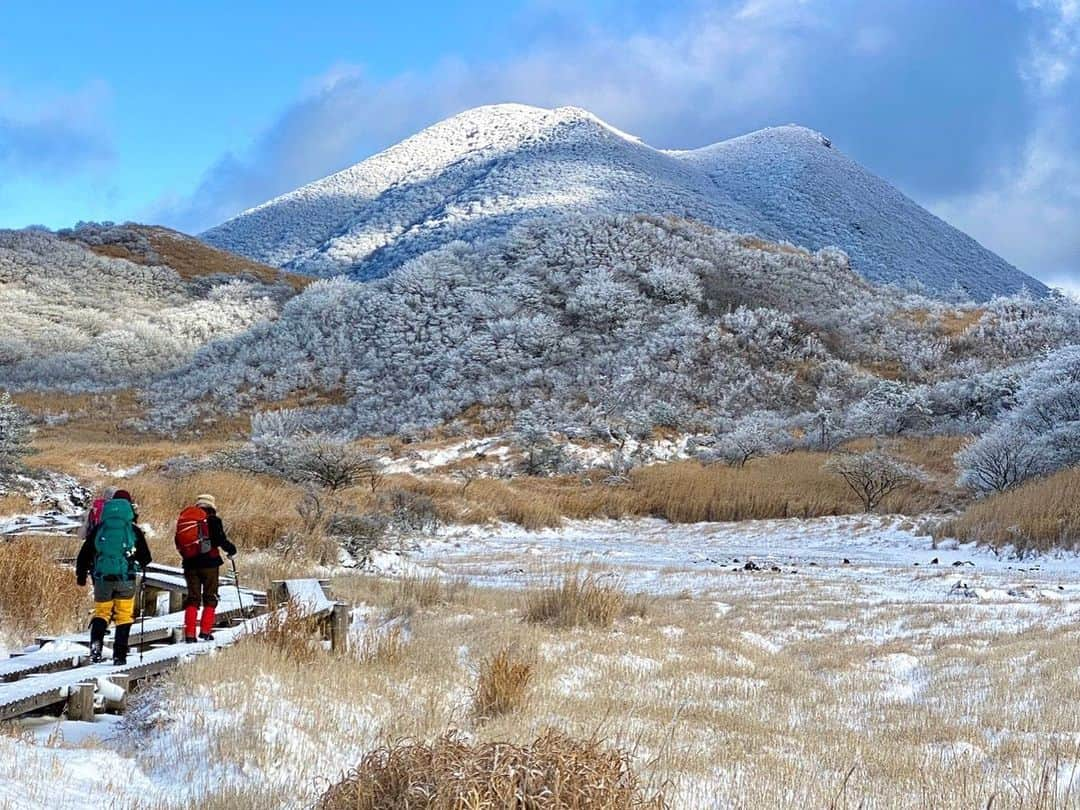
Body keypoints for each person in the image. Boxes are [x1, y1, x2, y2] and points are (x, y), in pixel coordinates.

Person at [75, 490, 152, 665]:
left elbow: (85, 554)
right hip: (125, 579)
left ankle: (96, 648)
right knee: (124, 616)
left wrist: (81, 575)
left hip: (102, 579)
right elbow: (146, 558)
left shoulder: (100, 529)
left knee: (102, 613)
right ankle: (119, 656)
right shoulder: (132, 530)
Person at [175, 494, 236, 643]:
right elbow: (220, 540)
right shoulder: (213, 520)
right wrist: (231, 550)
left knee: (192, 598)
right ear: (212, 506)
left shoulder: (187, 520)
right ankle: (205, 631)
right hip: (209, 564)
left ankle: (189, 634)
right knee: (210, 596)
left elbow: (178, 541)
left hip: (190, 564)